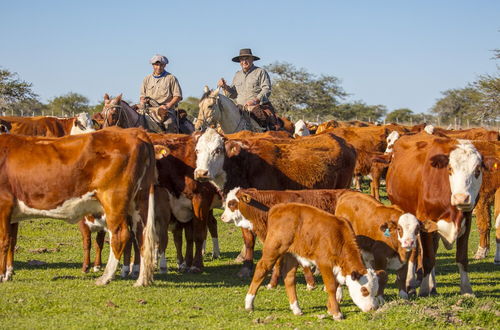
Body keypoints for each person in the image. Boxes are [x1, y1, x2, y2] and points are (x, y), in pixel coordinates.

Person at [217, 48, 280, 130]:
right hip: (240, 108)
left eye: (247, 59)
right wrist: (225, 87)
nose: (244, 62)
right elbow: (232, 95)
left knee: (266, 124)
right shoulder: (237, 75)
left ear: (252, 59)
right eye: (242, 59)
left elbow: (266, 89)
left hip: (258, 106)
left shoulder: (260, 72)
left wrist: (255, 100)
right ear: (239, 62)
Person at [139, 54, 183, 132]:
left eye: (161, 65)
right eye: (156, 65)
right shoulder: (147, 79)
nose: (159, 67)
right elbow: (142, 96)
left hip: (165, 110)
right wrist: (142, 101)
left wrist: (168, 106)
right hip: (149, 109)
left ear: (165, 65)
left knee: (168, 123)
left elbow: (177, 96)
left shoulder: (171, 78)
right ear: (152, 65)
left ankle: (170, 141)